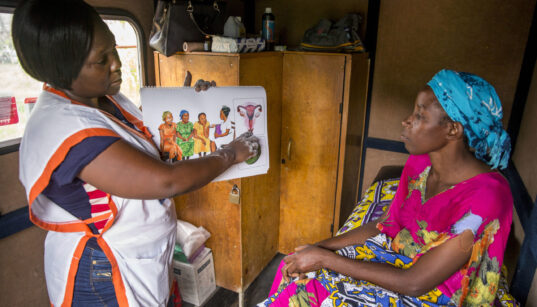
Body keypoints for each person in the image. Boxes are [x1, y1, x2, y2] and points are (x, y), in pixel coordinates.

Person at [12, 0, 259, 306]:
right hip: (103, 272)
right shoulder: (63, 128)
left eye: (113, 49)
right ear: (63, 72)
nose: (115, 63)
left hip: (138, 257)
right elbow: (165, 181)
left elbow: (141, 138)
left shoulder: (100, 98)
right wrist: (230, 154)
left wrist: (190, 105)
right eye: (101, 60)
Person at [259, 69, 512, 307]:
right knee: (292, 268)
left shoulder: (487, 198)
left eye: (420, 116)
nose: (406, 121)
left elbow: (414, 283)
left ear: (453, 129)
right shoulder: (422, 163)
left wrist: (325, 259)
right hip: (397, 260)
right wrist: (320, 247)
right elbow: (386, 226)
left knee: (307, 291)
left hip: (435, 293)